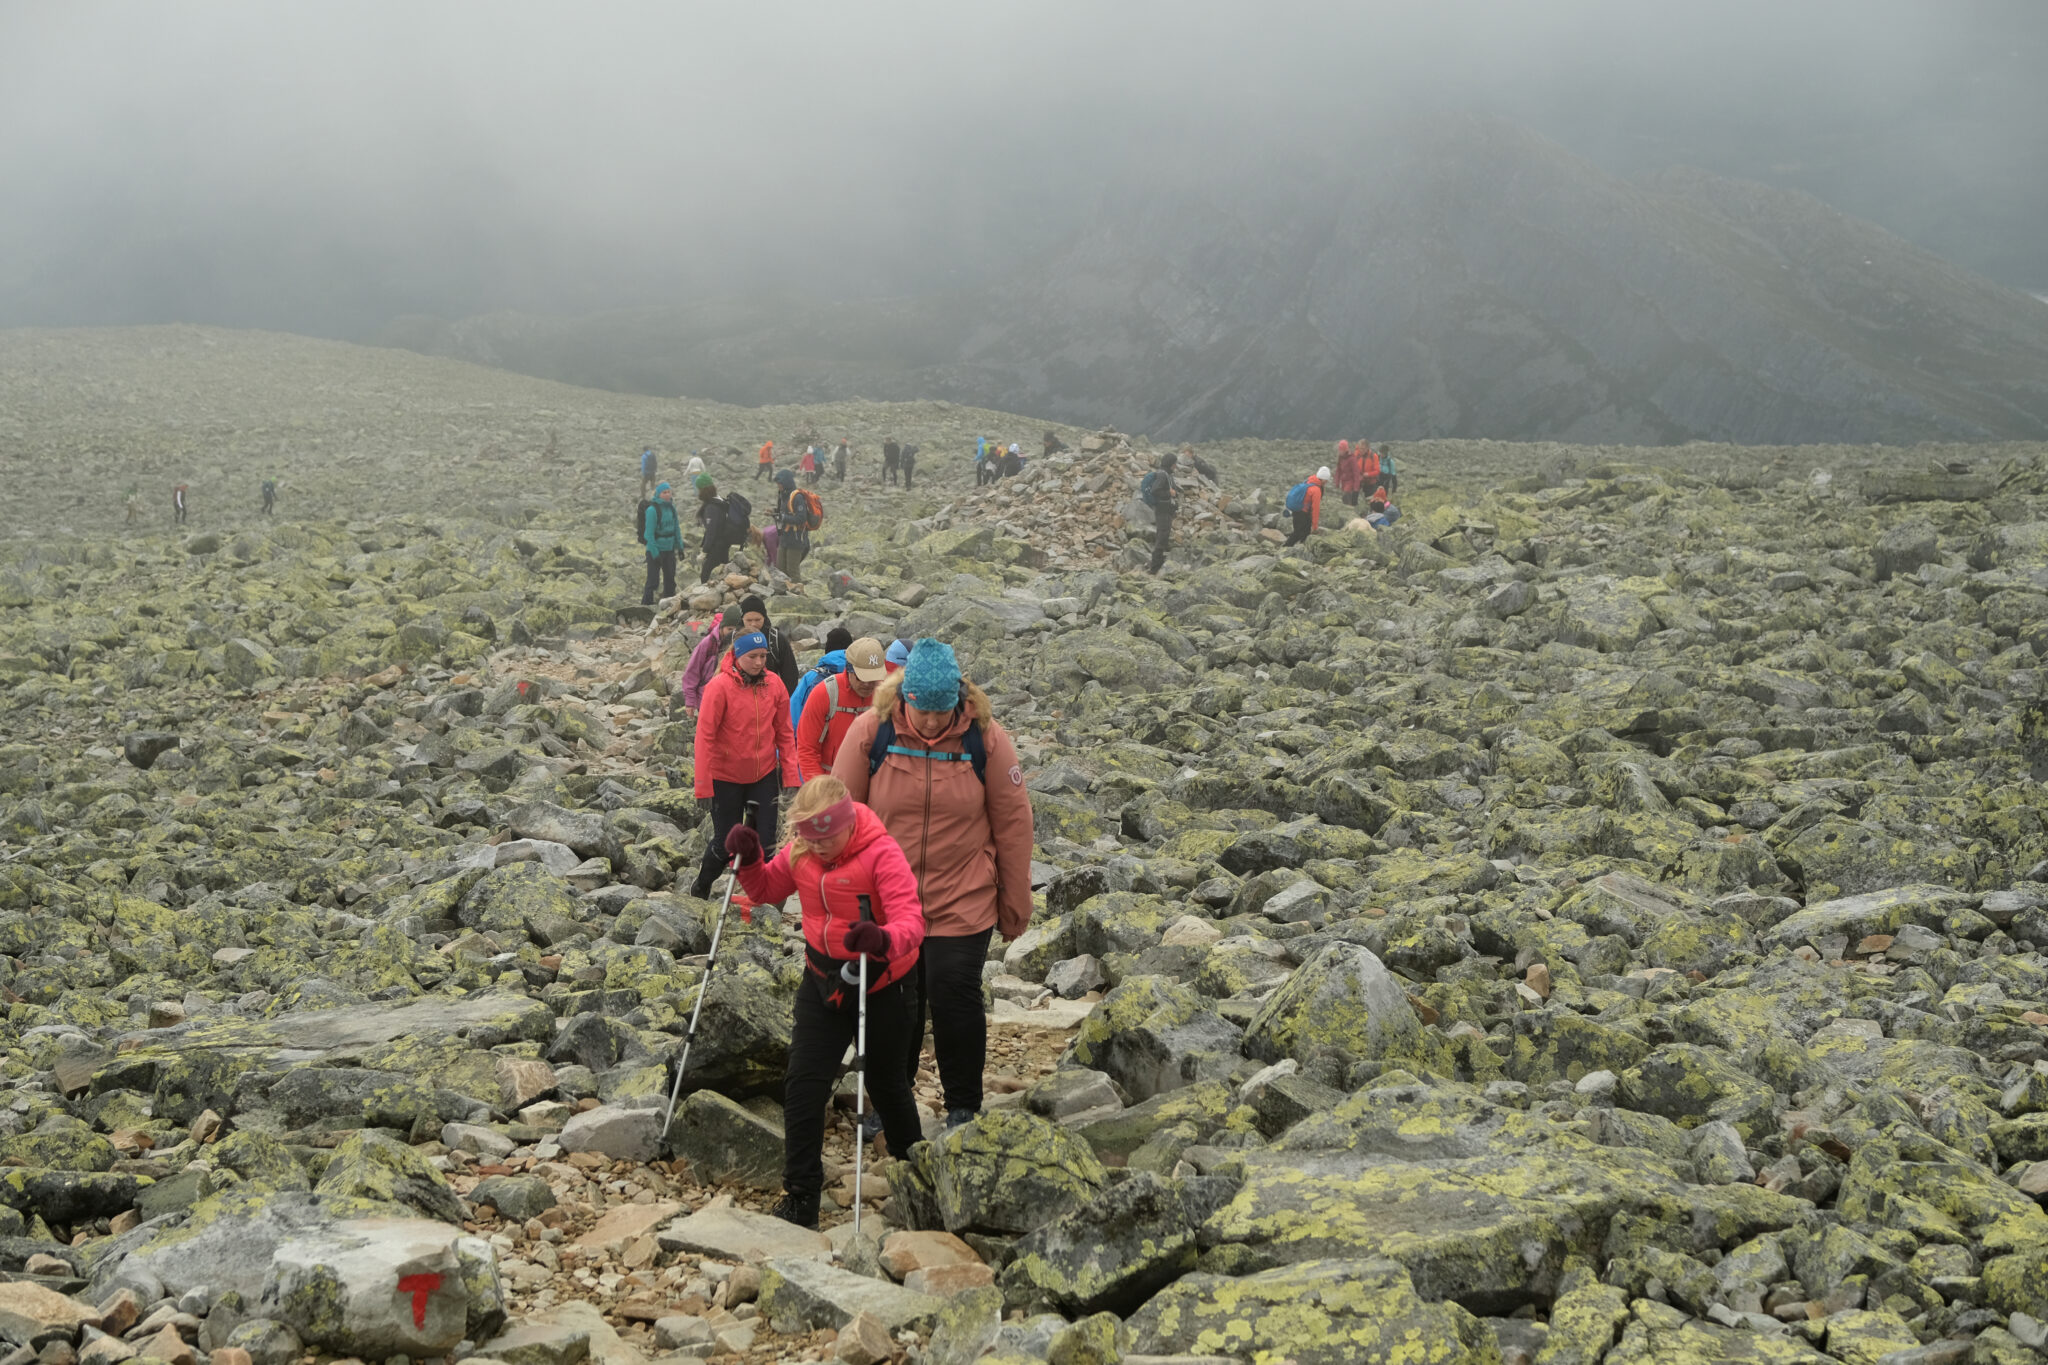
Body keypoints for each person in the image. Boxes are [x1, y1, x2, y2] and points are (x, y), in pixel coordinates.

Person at [831, 639, 1033, 1131]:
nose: (931, 722)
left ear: (958, 700)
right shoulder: (872, 731)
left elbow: (1013, 823)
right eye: (923, 711)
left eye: (942, 712)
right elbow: (838, 816)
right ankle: (890, 1104)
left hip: (964, 894)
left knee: (953, 994)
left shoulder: (985, 739)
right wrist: (838, 898)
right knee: (895, 1003)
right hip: (889, 901)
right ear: (906, 699)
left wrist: (1015, 901)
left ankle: (963, 1105)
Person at [724, 775, 926, 1229]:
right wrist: (751, 858)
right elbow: (765, 892)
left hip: (883, 982)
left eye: (827, 838)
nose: (818, 847)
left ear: (848, 822)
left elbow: (912, 922)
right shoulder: (800, 851)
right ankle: (800, 1198)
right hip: (822, 979)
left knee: (887, 1085)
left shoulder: (881, 853)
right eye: (809, 838)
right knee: (803, 1084)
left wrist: (882, 938)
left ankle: (920, 1180)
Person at [689, 631, 799, 898]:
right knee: (726, 844)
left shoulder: (774, 684)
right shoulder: (719, 687)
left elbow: (785, 733)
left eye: (763, 656)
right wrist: (703, 787)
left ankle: (764, 900)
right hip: (725, 777)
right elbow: (704, 738)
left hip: (763, 775)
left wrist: (791, 776)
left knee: (766, 844)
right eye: (753, 657)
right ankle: (702, 885)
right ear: (737, 655)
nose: (759, 662)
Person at [797, 636, 891, 779]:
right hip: (832, 781)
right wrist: (819, 789)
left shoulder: (886, 694)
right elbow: (807, 749)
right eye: (861, 677)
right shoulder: (824, 693)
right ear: (849, 669)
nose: (867, 684)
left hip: (872, 781)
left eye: (873, 678)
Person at [789, 627, 855, 740]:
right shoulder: (859, 676)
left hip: (816, 741)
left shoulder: (811, 677)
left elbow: (793, 716)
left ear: (827, 649)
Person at [676, 606, 741, 715]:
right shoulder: (708, 643)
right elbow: (692, 672)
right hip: (705, 698)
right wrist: (690, 702)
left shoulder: (740, 644)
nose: (732, 633)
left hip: (730, 699)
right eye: (729, 629)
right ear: (722, 627)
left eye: (736, 630)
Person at [738, 594, 801, 695]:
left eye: (758, 620)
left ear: (764, 617)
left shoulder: (777, 640)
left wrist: (785, 700)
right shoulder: (732, 639)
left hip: (770, 697)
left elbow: (790, 675)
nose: (753, 624)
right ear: (742, 619)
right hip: (738, 697)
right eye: (749, 620)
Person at [641, 482, 684, 606]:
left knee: (670, 579)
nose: (667, 494)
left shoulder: (671, 508)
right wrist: (655, 554)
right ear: (658, 494)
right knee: (653, 581)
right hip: (655, 550)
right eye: (664, 492)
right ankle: (646, 606)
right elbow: (648, 535)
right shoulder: (652, 510)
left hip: (669, 549)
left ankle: (669, 605)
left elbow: (676, 529)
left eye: (669, 492)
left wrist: (680, 548)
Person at [696, 478, 745, 584]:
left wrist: (704, 551)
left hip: (716, 546)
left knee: (705, 575)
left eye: (699, 489)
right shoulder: (720, 501)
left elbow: (711, 531)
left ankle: (708, 593)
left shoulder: (711, 507)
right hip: (724, 543)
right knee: (723, 570)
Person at [1140, 451, 1179, 575]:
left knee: (1163, 535)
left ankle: (1158, 562)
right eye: (1175, 463)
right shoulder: (1163, 475)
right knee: (1162, 536)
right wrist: (1169, 493)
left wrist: (1174, 493)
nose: (1176, 465)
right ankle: (1154, 567)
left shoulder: (1166, 474)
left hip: (1165, 509)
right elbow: (1155, 490)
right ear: (1170, 463)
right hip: (1162, 510)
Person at [1283, 467, 1329, 547]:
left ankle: (1299, 548)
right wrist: (1315, 526)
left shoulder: (1309, 481)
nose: (1327, 482)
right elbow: (1315, 509)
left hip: (1297, 511)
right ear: (1324, 479)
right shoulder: (1316, 490)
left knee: (1301, 533)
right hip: (1303, 514)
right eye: (1327, 480)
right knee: (1299, 533)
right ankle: (1285, 548)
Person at [1335, 442, 1365, 508]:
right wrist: (1337, 482)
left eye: (1341, 450)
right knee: (1345, 499)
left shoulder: (1352, 459)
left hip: (1350, 482)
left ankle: (1349, 511)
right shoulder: (1340, 457)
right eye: (1339, 450)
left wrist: (1356, 487)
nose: (1339, 451)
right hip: (1344, 481)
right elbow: (1338, 470)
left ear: (1345, 450)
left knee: (1346, 497)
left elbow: (1356, 473)